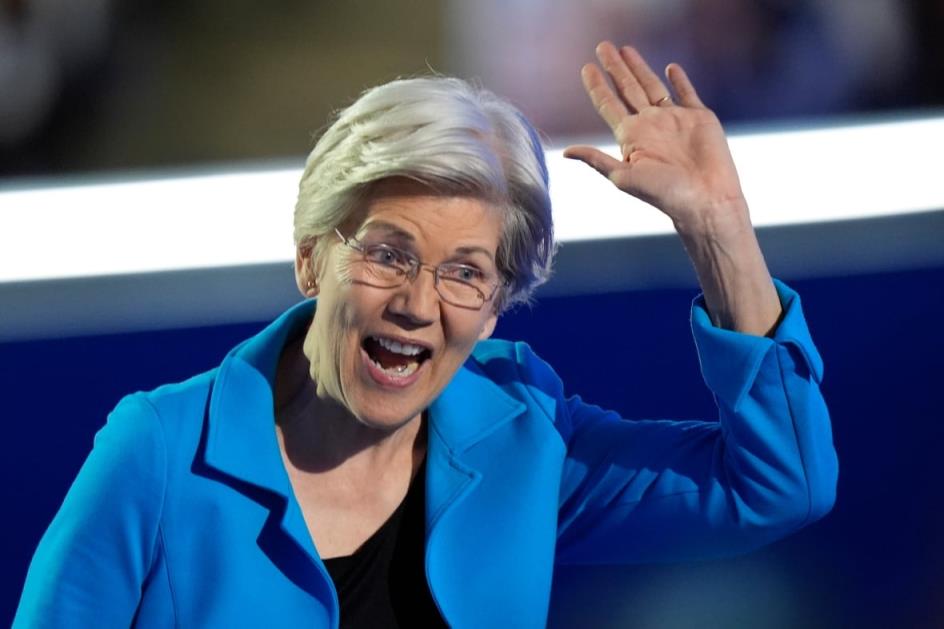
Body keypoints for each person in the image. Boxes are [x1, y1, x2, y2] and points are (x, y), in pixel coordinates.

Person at [14, 42, 838, 628]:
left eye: (466, 272)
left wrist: (719, 227)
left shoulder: (522, 436)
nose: (418, 303)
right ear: (311, 259)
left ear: (495, 305)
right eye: (388, 254)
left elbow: (781, 483)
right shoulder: (156, 450)